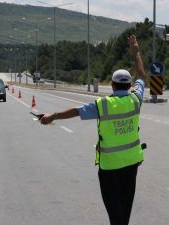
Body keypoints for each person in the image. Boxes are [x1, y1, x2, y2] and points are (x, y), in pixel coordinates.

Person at [40, 35, 147, 225]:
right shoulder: (135, 100)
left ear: (112, 86)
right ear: (129, 85)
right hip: (131, 163)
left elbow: (76, 112)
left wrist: (52, 116)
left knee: (115, 210)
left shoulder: (102, 104)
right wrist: (136, 51)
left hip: (109, 167)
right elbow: (141, 75)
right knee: (125, 207)